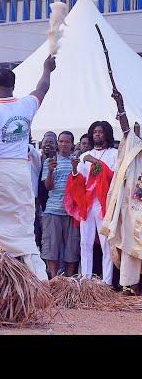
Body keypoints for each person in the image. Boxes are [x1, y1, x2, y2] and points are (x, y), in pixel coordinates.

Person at [0, 55, 56, 282]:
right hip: (21, 174)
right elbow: (43, 87)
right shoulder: (26, 105)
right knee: (22, 229)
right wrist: (47, 68)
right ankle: (39, 279)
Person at [65, 120, 118, 285]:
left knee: (105, 243)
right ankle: (86, 279)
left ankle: (107, 282)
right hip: (87, 203)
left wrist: (96, 162)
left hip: (104, 203)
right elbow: (78, 181)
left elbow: (113, 178)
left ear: (107, 134)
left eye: (100, 132)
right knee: (85, 241)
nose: (97, 134)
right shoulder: (83, 156)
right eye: (95, 132)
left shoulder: (114, 154)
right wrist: (74, 169)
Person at [102, 91, 142, 295]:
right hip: (133, 208)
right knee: (129, 247)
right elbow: (127, 131)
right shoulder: (136, 149)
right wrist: (121, 105)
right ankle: (130, 285)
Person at [40, 131, 80, 277]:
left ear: (72, 144)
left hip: (71, 212)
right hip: (53, 209)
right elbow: (48, 187)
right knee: (51, 246)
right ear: (57, 143)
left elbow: (79, 185)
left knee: (72, 247)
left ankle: (69, 279)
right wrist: (50, 171)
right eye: (61, 141)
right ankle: (54, 278)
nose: (63, 144)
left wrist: (75, 168)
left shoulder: (76, 161)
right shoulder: (49, 162)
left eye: (67, 142)